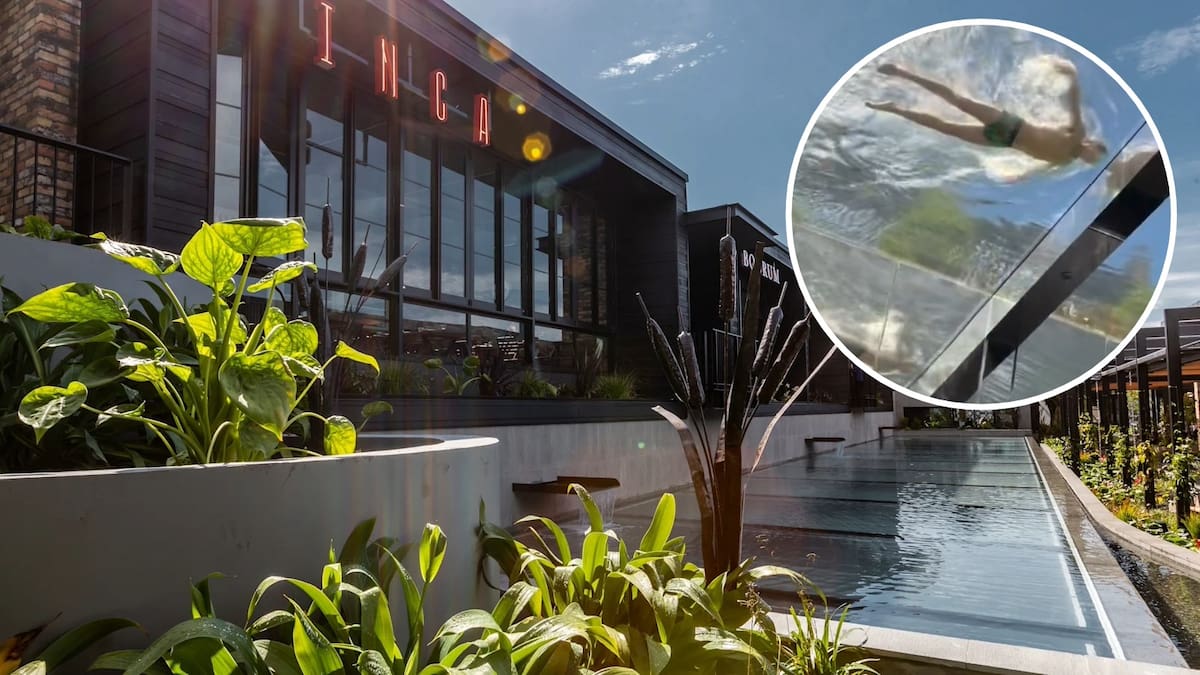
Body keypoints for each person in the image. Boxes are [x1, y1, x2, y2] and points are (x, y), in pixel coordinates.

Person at [866, 59, 1107, 179]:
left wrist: (1018, 176)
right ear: (1092, 145)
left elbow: (1039, 166)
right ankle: (901, 72)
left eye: (1091, 163)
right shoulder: (1078, 134)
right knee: (959, 101)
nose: (1088, 160)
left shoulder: (1063, 162)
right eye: (1093, 156)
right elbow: (1074, 102)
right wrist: (1072, 76)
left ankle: (894, 109)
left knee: (947, 129)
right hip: (1010, 124)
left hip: (1001, 140)